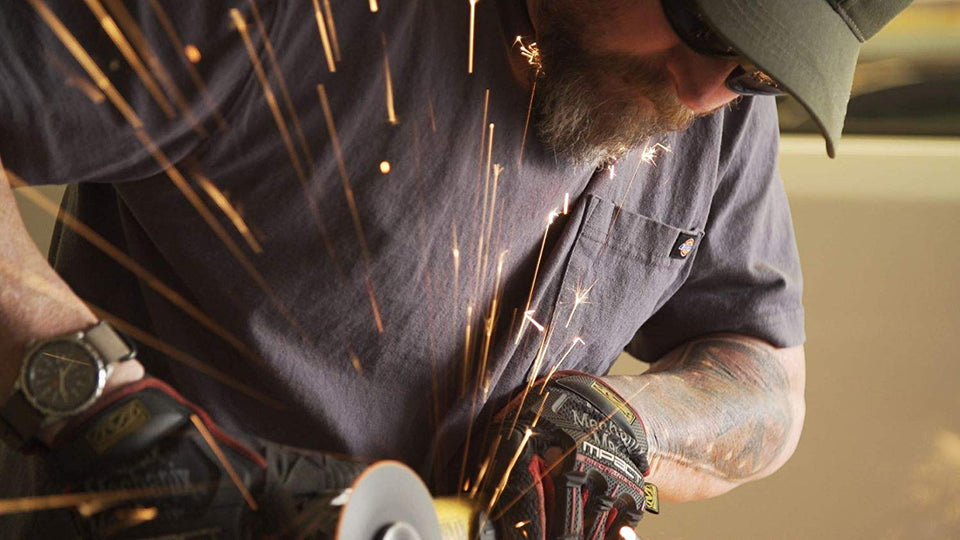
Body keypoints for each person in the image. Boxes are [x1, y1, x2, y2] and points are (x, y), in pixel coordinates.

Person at [0, 0, 911, 537]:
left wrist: (623, 424)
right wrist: (82, 396)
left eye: (759, 75)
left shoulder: (717, 106)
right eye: (707, 21)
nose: (708, 89)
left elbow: (767, 376)